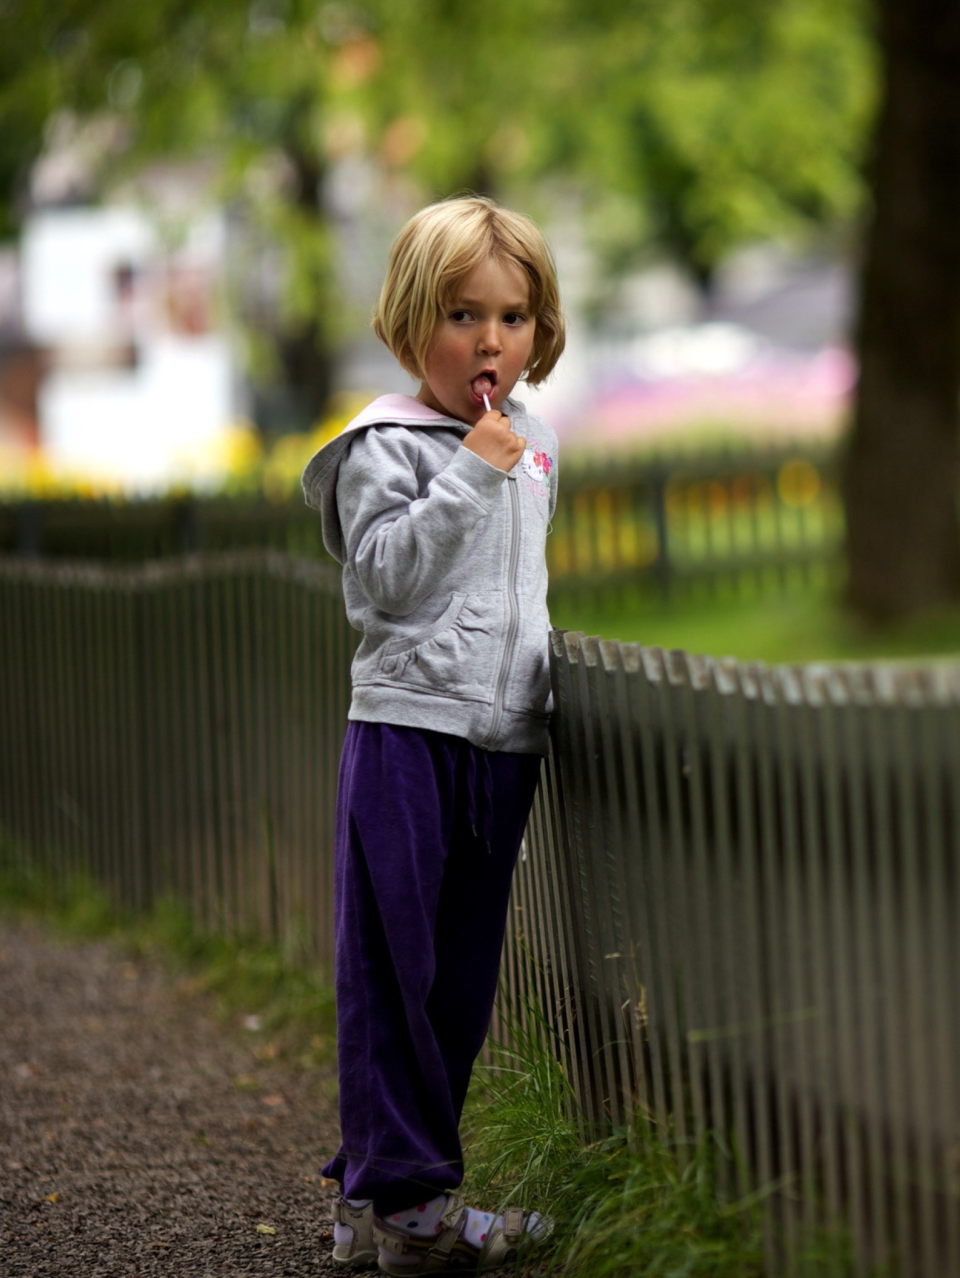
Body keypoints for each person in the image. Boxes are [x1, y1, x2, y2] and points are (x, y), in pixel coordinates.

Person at [299, 194, 564, 1274]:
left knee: (459, 978)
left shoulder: (535, 443)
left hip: (500, 743)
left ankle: (394, 1192)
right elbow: (384, 582)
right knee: (390, 966)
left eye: (513, 315)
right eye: (462, 314)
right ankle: (405, 1204)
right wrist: (468, 472)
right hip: (409, 731)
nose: (490, 339)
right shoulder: (388, 447)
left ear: (539, 331)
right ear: (412, 325)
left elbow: (516, 588)